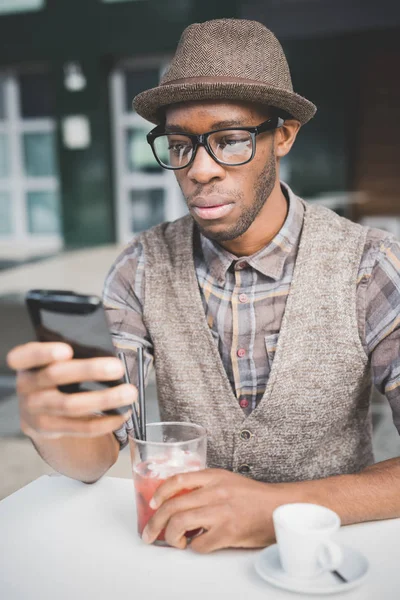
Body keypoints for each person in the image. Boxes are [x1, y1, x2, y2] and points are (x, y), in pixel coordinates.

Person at [7, 18, 400, 554]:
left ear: (282, 135)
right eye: (180, 145)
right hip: (188, 558)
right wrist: (56, 428)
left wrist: (279, 507)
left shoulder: (368, 266)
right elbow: (97, 453)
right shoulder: (139, 268)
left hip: (328, 560)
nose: (200, 170)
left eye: (231, 141)